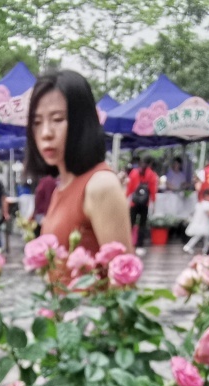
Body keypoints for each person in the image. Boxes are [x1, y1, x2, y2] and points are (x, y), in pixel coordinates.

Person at [28, 70, 130, 255]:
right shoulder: (62, 186)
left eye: (57, 119)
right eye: (37, 122)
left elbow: (123, 276)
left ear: (82, 122)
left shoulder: (100, 185)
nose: (46, 133)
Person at [125, 156, 158, 252]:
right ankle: (140, 245)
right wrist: (154, 203)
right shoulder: (152, 175)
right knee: (142, 225)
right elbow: (153, 191)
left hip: (133, 203)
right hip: (145, 203)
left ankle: (128, 244)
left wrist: (125, 197)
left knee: (131, 223)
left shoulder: (134, 172)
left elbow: (129, 188)